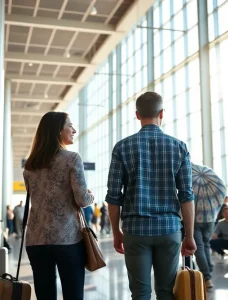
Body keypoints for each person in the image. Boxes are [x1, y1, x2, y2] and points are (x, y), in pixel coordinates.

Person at [106, 92, 196, 300]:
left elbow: (113, 196)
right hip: (169, 229)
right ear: (162, 113)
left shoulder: (122, 147)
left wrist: (116, 232)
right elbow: (186, 195)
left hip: (135, 230)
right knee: (166, 292)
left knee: (140, 293)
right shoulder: (179, 147)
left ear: (137, 115)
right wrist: (189, 235)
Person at [23, 112, 94, 300]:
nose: (74, 130)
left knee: (45, 296)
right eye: (70, 125)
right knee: (73, 295)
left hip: (36, 240)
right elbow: (82, 200)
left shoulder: (30, 166)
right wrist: (91, 196)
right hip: (67, 239)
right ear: (57, 130)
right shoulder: (71, 159)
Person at [193, 163, 222, 289]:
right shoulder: (213, 184)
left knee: (199, 248)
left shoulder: (192, 185)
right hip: (210, 219)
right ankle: (208, 268)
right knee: (205, 245)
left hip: (195, 220)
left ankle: (207, 277)